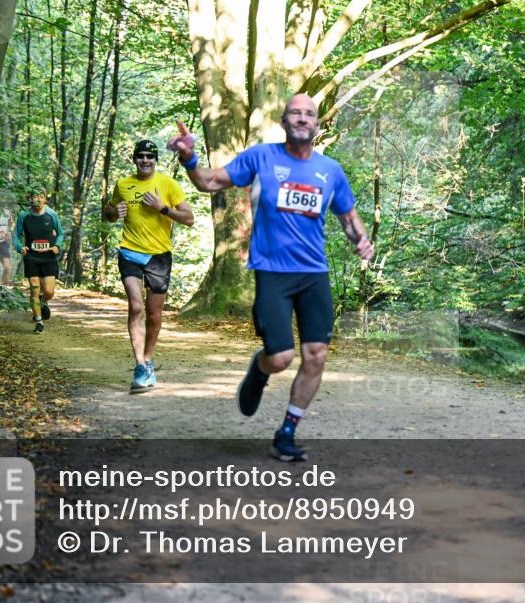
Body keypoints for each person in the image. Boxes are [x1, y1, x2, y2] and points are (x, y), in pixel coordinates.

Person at [170, 94, 374, 462]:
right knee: (280, 357)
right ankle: (259, 370)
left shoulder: (331, 171)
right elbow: (209, 183)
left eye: (309, 114)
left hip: (314, 273)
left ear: (316, 125)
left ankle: (287, 432)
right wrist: (189, 158)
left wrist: (361, 240)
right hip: (272, 273)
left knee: (316, 354)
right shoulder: (261, 157)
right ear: (283, 121)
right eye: (295, 112)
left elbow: (348, 217)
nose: (302, 118)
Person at [104, 139, 194, 394]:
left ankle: (149, 358)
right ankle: (140, 366)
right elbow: (110, 213)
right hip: (130, 252)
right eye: (140, 156)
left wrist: (163, 208)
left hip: (159, 256)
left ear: (156, 160)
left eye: (149, 157)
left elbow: (189, 219)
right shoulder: (123, 184)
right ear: (135, 159)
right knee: (135, 305)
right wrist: (113, 212)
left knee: (154, 314)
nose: (145, 160)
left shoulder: (168, 185)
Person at [13, 186, 63, 333]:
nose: (39, 199)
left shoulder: (51, 214)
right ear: (30, 199)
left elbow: (60, 233)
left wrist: (57, 246)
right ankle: (38, 322)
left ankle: (44, 300)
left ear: (45, 199)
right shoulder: (24, 216)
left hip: (48, 257)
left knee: (49, 291)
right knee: (34, 289)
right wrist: (19, 247)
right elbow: (15, 234)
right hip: (31, 257)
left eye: (41, 196)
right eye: (35, 196)